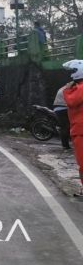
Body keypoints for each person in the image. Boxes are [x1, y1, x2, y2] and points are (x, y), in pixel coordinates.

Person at [62, 60, 83, 195]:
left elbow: (71, 101)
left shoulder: (80, 88)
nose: (70, 75)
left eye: (72, 72)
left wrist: (67, 89)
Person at [54, 83, 71, 149]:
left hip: (58, 108)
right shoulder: (71, 87)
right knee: (66, 127)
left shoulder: (63, 87)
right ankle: (65, 145)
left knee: (65, 127)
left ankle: (65, 145)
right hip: (63, 108)